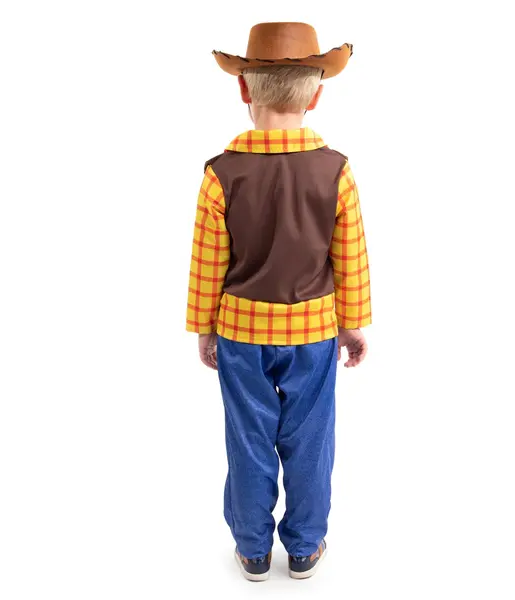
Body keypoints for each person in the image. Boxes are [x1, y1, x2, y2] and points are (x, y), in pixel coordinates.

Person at [186, 22, 372, 581]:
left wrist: (205, 327)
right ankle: (306, 546)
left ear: (244, 89)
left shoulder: (220, 174)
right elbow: (350, 256)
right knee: (311, 441)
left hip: (241, 335)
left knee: (248, 439)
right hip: (314, 333)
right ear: (316, 96)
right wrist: (352, 323)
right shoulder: (336, 170)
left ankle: (251, 549)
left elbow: (207, 263)